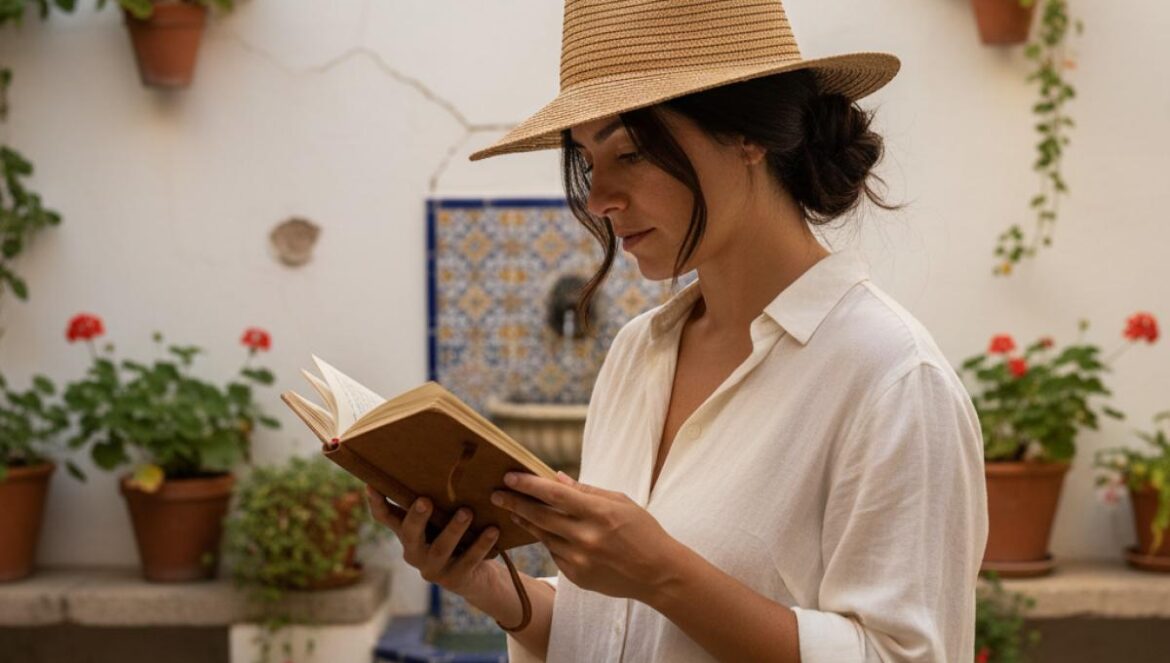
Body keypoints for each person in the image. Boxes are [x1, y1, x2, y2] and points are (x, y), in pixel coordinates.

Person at [365, 1, 989, 661]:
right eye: (588, 161)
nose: (599, 198)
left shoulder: (893, 380)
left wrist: (662, 571)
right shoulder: (638, 352)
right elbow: (614, 633)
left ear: (747, 136)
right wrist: (491, 585)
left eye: (630, 153)